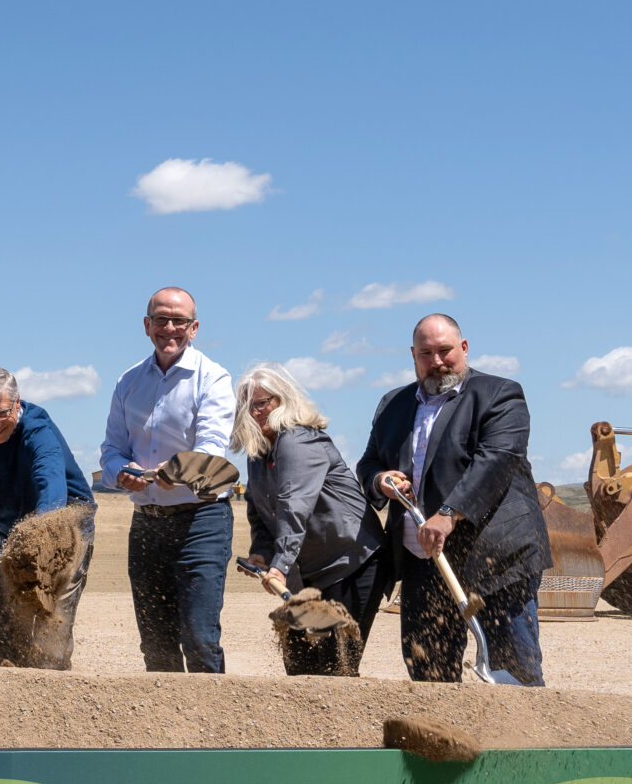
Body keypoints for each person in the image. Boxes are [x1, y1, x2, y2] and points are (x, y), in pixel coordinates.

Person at [354, 314, 552, 685]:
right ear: (413, 355)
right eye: (426, 353)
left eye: (445, 351)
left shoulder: (500, 394)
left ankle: (522, 741)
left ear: (463, 348)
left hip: (495, 561)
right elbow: (368, 463)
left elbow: (496, 461)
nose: (437, 361)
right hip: (423, 562)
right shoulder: (391, 405)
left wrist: (449, 514)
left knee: (513, 674)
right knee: (429, 673)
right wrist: (380, 479)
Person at [98, 287, 237, 673]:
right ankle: (168, 731)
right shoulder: (128, 382)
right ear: (147, 326)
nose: (170, 328)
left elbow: (211, 450)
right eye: (161, 319)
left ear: (194, 328)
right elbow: (111, 450)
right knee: (156, 642)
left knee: (199, 636)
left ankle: (212, 725)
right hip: (147, 524)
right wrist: (121, 474)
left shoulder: (213, 378)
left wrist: (175, 473)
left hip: (202, 521)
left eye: (179, 321)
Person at [0, 365, 96, 669]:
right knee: (5, 638)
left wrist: (39, 546)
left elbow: (50, 484)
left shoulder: (37, 429)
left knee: (50, 632)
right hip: (11, 528)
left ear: (17, 402)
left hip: (63, 521)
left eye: (2, 413)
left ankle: (51, 694)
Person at [234, 364, 382, 659]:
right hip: (307, 573)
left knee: (337, 661)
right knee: (301, 665)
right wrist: (262, 553)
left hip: (350, 564)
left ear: (282, 399)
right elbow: (260, 512)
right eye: (247, 406)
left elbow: (293, 507)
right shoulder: (259, 452)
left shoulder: (297, 441)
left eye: (262, 403)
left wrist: (279, 565)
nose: (255, 412)